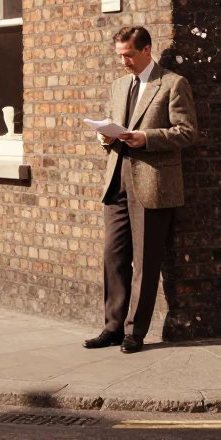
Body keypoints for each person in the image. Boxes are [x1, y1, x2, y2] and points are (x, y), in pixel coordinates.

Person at [84, 26, 197, 354]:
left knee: (146, 262)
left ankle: (135, 332)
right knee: (113, 256)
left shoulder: (173, 84)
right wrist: (104, 137)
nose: (124, 61)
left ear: (147, 50)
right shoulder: (119, 86)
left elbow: (187, 132)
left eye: (129, 55)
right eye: (120, 55)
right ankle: (112, 326)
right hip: (117, 179)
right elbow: (112, 124)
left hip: (152, 184)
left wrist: (146, 138)